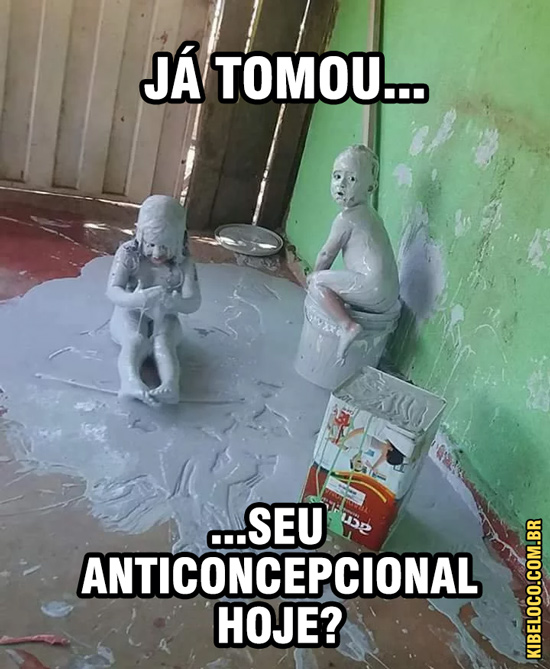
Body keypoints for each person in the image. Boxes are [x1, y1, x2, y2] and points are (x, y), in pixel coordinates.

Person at [306, 145, 399, 362]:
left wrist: (312, 279)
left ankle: (347, 326)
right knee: (332, 286)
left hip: (373, 290)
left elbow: (326, 255)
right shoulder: (372, 216)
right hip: (389, 296)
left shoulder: (346, 219)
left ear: (371, 187)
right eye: (337, 176)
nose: (341, 184)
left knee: (317, 284)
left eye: (352, 179)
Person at [106, 195, 201, 406]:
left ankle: (170, 385)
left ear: (179, 240)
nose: (157, 253)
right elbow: (112, 291)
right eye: (150, 244)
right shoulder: (128, 253)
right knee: (134, 340)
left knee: (163, 343)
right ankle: (130, 382)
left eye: (165, 247)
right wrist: (135, 298)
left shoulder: (185, 263)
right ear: (140, 235)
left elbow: (194, 302)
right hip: (130, 311)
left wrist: (176, 303)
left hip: (166, 315)